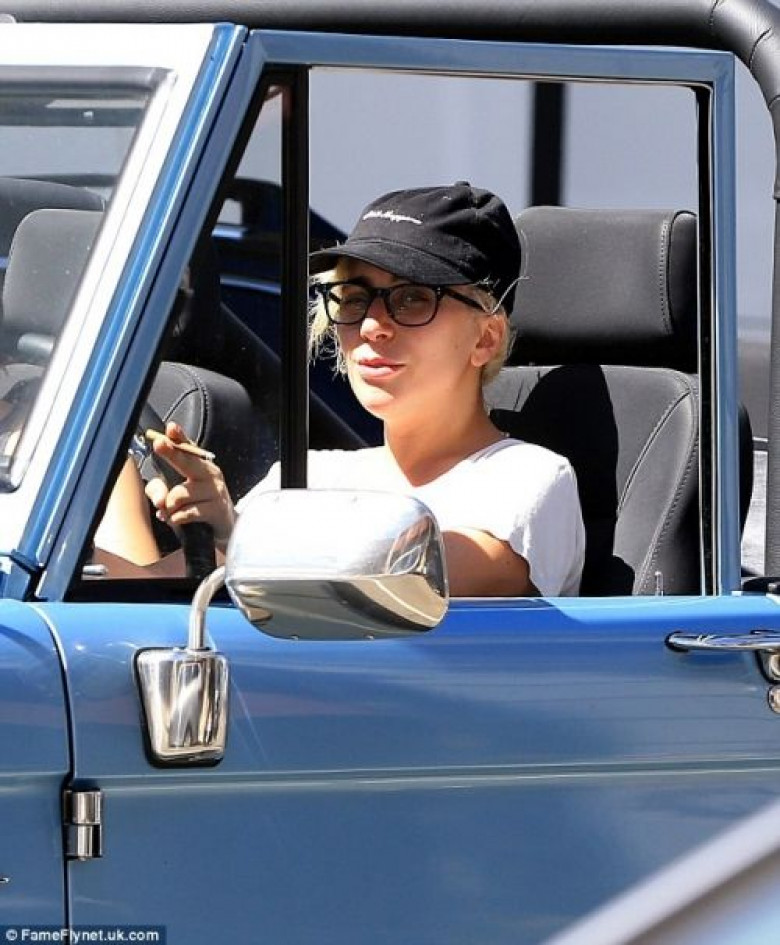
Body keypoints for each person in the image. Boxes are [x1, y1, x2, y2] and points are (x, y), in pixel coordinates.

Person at [146, 182, 586, 596]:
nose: (372, 325)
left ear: (486, 338)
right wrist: (116, 481)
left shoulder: (528, 476)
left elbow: (407, 575)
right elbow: (140, 590)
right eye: (354, 298)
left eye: (413, 298)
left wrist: (236, 534)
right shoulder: (307, 476)